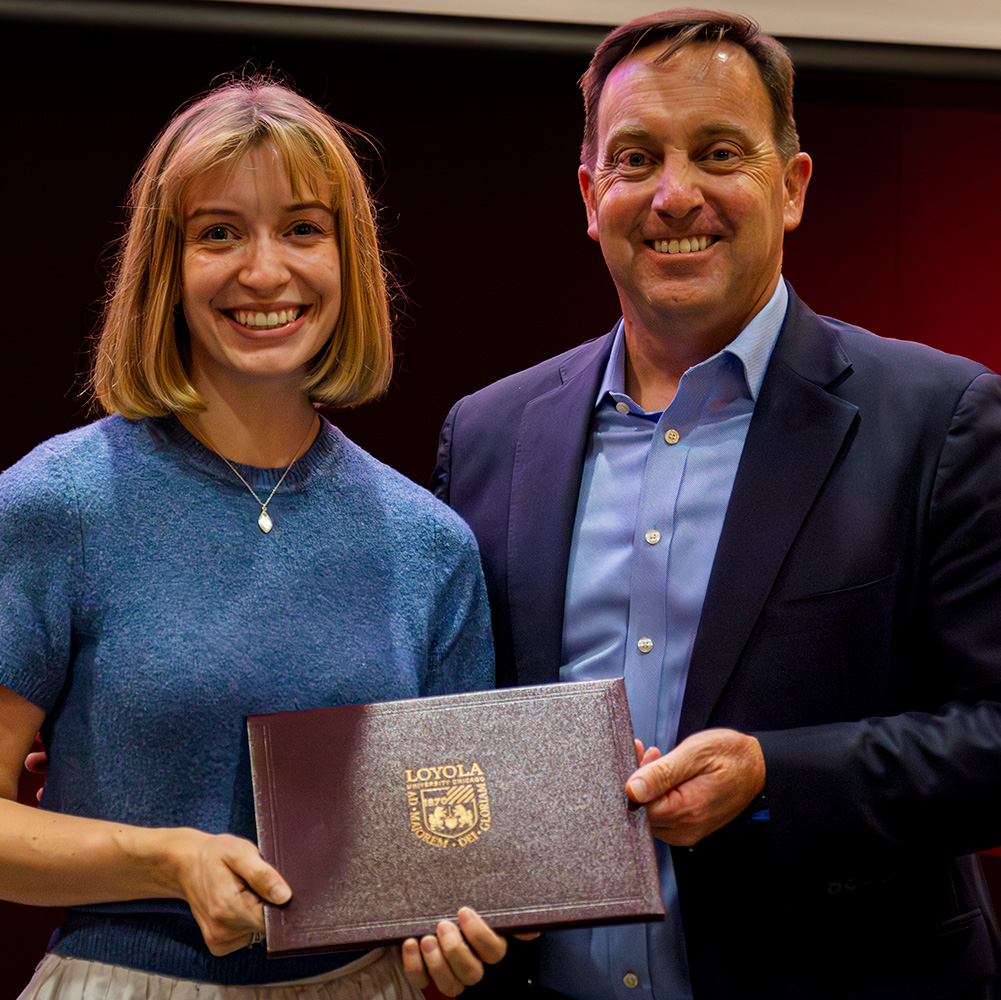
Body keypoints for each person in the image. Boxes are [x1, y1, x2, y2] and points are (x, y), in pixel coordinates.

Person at [431, 10, 1001, 999]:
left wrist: (773, 780)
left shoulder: (940, 420)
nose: (673, 193)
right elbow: (452, 732)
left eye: (718, 153)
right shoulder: (488, 436)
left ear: (790, 188)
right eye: (635, 157)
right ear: (587, 194)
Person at [0, 76, 504, 999]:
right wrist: (165, 861)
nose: (264, 271)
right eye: (218, 232)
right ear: (165, 265)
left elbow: (452, 843)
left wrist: (455, 935)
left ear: (348, 260)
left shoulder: (430, 543)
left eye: (303, 229)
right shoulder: (52, 504)